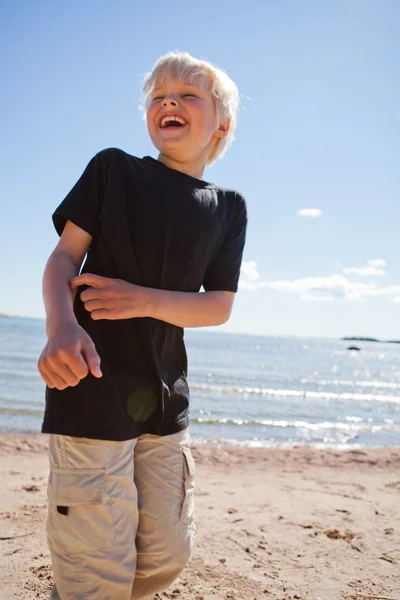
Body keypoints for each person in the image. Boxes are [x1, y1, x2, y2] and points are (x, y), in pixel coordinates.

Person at [37, 50, 248, 600]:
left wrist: (141, 299)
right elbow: (64, 260)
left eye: (186, 95)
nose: (168, 102)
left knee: (165, 551)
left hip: (164, 398)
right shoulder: (114, 169)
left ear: (220, 123)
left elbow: (218, 305)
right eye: (157, 97)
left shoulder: (228, 207)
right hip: (88, 382)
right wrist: (61, 326)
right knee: (93, 560)